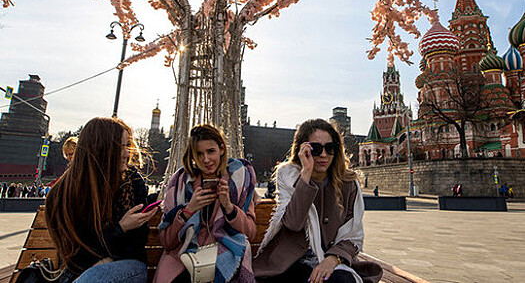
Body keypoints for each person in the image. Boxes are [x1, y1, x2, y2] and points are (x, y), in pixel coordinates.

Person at [253, 119, 382, 283]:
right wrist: (306, 174)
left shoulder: (348, 183)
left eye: (330, 148)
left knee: (340, 280)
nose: (323, 155)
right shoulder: (288, 175)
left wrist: (333, 259)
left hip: (333, 260)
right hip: (290, 262)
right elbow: (293, 223)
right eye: (315, 149)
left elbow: (353, 235)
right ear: (303, 149)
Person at [45, 117, 157, 282]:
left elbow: (134, 247)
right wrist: (120, 229)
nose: (127, 152)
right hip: (81, 270)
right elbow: (73, 255)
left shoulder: (132, 182)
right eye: (120, 146)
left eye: (127, 145)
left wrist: (120, 230)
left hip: (128, 268)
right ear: (101, 148)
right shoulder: (63, 193)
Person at [154, 124, 257, 283]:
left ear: (221, 149)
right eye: (199, 154)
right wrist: (189, 210)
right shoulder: (181, 183)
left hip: (224, 254)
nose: (206, 160)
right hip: (184, 258)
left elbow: (250, 232)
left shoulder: (239, 180)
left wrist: (229, 207)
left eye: (211, 151)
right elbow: (167, 242)